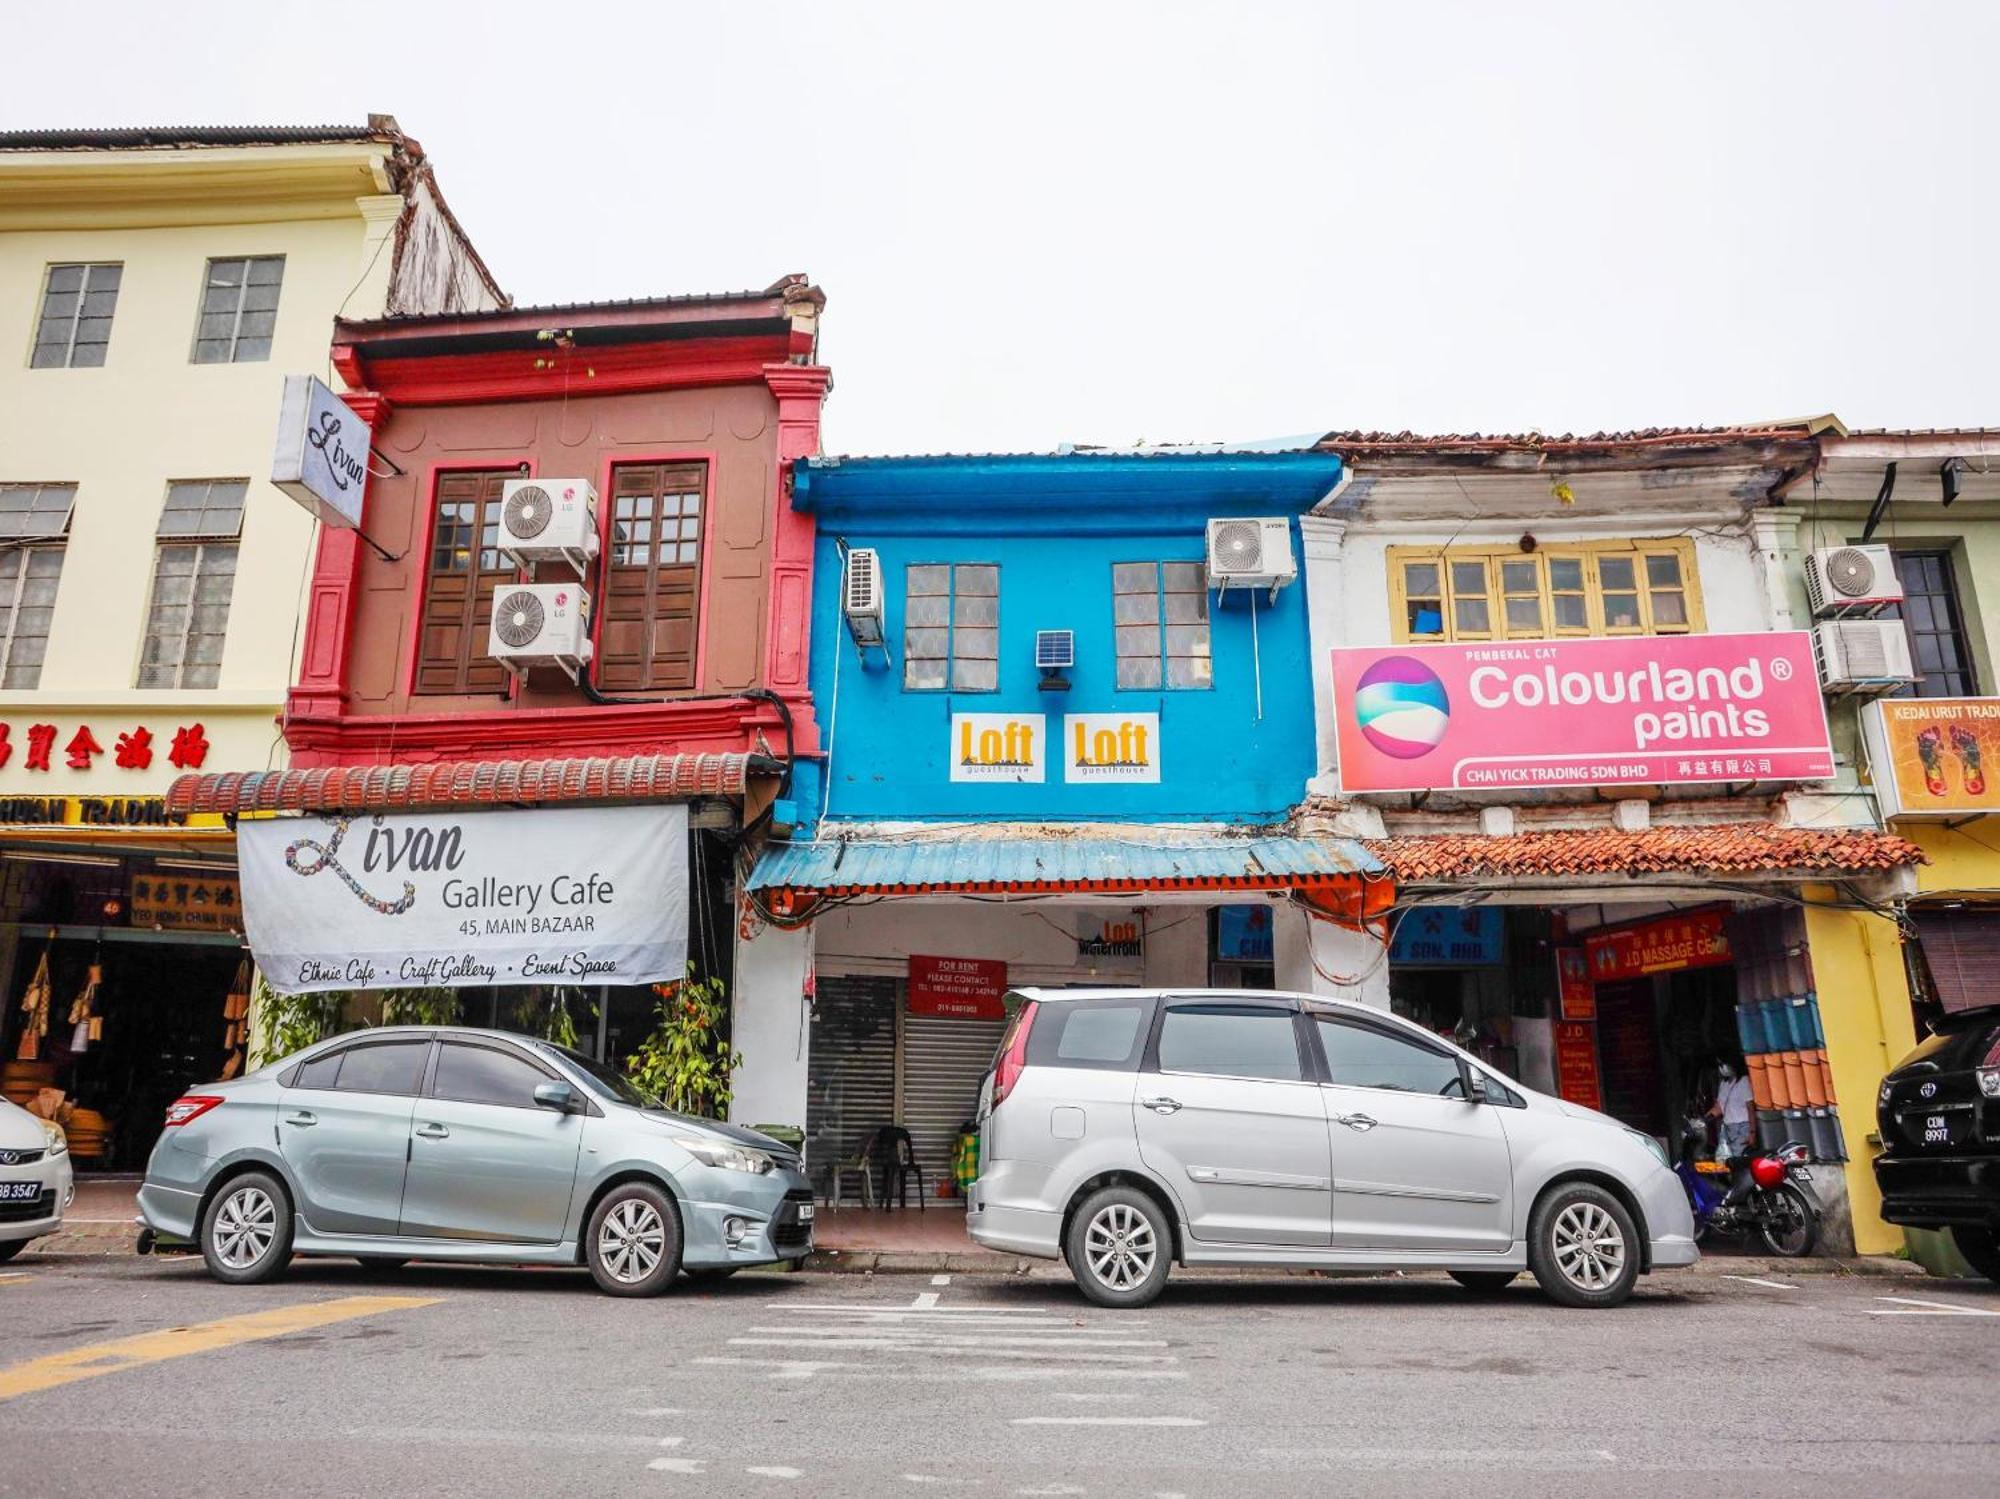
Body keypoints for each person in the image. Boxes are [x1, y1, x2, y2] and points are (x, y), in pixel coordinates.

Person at [1708, 1058, 1753, 1160]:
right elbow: (1719, 1107)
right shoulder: (1724, 1084)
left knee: (1738, 1158)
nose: (1722, 1068)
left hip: (1742, 1127)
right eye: (1719, 1065)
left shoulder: (1744, 1081)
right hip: (1728, 1127)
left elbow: (1750, 1108)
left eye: (1723, 1063)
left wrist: (1752, 1132)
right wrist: (1703, 1121)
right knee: (1723, 1159)